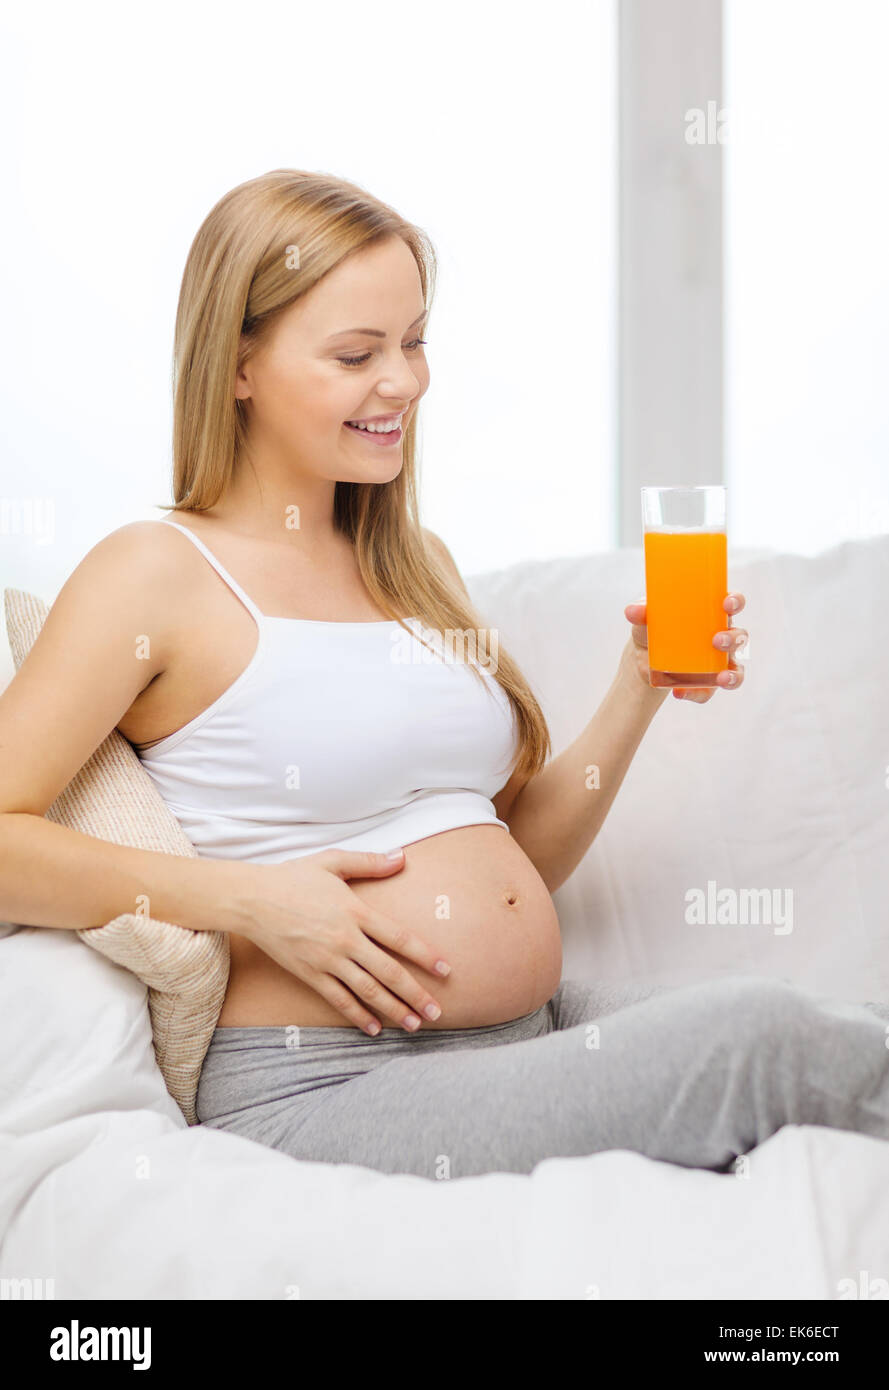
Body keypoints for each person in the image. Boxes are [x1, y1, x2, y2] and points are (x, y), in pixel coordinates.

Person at [3, 169, 887, 1182]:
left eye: (414, 341)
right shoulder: (155, 573)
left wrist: (638, 684)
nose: (406, 382)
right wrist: (246, 900)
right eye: (356, 353)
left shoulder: (408, 561)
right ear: (238, 362)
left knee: (845, 1018)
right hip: (325, 1084)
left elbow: (517, 857)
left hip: (527, 1031)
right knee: (762, 1041)